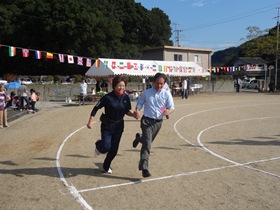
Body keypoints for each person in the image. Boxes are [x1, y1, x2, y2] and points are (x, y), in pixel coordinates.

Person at [87, 75, 137, 174]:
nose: (121, 88)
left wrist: (134, 115)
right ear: (114, 86)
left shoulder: (126, 97)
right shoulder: (107, 97)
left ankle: (106, 166)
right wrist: (90, 121)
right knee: (106, 147)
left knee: (114, 150)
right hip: (107, 125)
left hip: (119, 126)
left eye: (123, 86)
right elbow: (96, 108)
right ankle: (98, 144)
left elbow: (127, 111)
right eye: (119, 85)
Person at [133, 73, 175, 178]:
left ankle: (139, 137)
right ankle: (144, 168)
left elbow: (171, 107)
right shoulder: (146, 93)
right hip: (146, 121)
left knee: (147, 141)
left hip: (158, 122)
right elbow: (139, 104)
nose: (159, 85)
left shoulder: (166, 94)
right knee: (147, 144)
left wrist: (168, 112)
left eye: (162, 84)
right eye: (157, 83)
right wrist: (137, 110)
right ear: (153, 82)